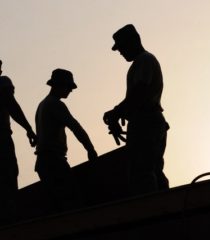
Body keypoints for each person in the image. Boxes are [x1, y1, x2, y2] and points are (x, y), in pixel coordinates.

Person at [103, 24, 170, 196]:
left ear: (134, 41)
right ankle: (165, 205)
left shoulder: (144, 60)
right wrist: (120, 115)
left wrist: (117, 112)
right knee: (152, 169)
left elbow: (140, 92)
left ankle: (153, 211)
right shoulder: (140, 63)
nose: (121, 52)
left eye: (122, 48)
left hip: (147, 123)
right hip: (146, 122)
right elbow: (137, 99)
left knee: (143, 172)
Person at [35, 68, 98, 211]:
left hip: (44, 162)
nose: (71, 90)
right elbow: (75, 127)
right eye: (69, 87)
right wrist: (90, 149)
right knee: (72, 201)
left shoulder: (42, 105)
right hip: (53, 161)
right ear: (59, 85)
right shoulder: (55, 104)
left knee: (57, 205)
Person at [0, 59, 37, 223]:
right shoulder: (2, 82)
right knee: (8, 175)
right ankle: (11, 218)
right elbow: (12, 106)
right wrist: (28, 128)